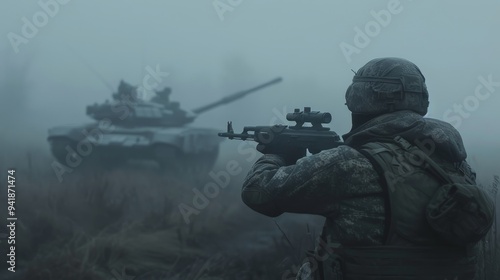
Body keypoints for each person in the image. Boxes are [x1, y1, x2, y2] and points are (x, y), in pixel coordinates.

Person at [241, 57, 484, 279]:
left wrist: (277, 153)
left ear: (360, 97)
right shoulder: (453, 161)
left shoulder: (351, 163)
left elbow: (259, 193)